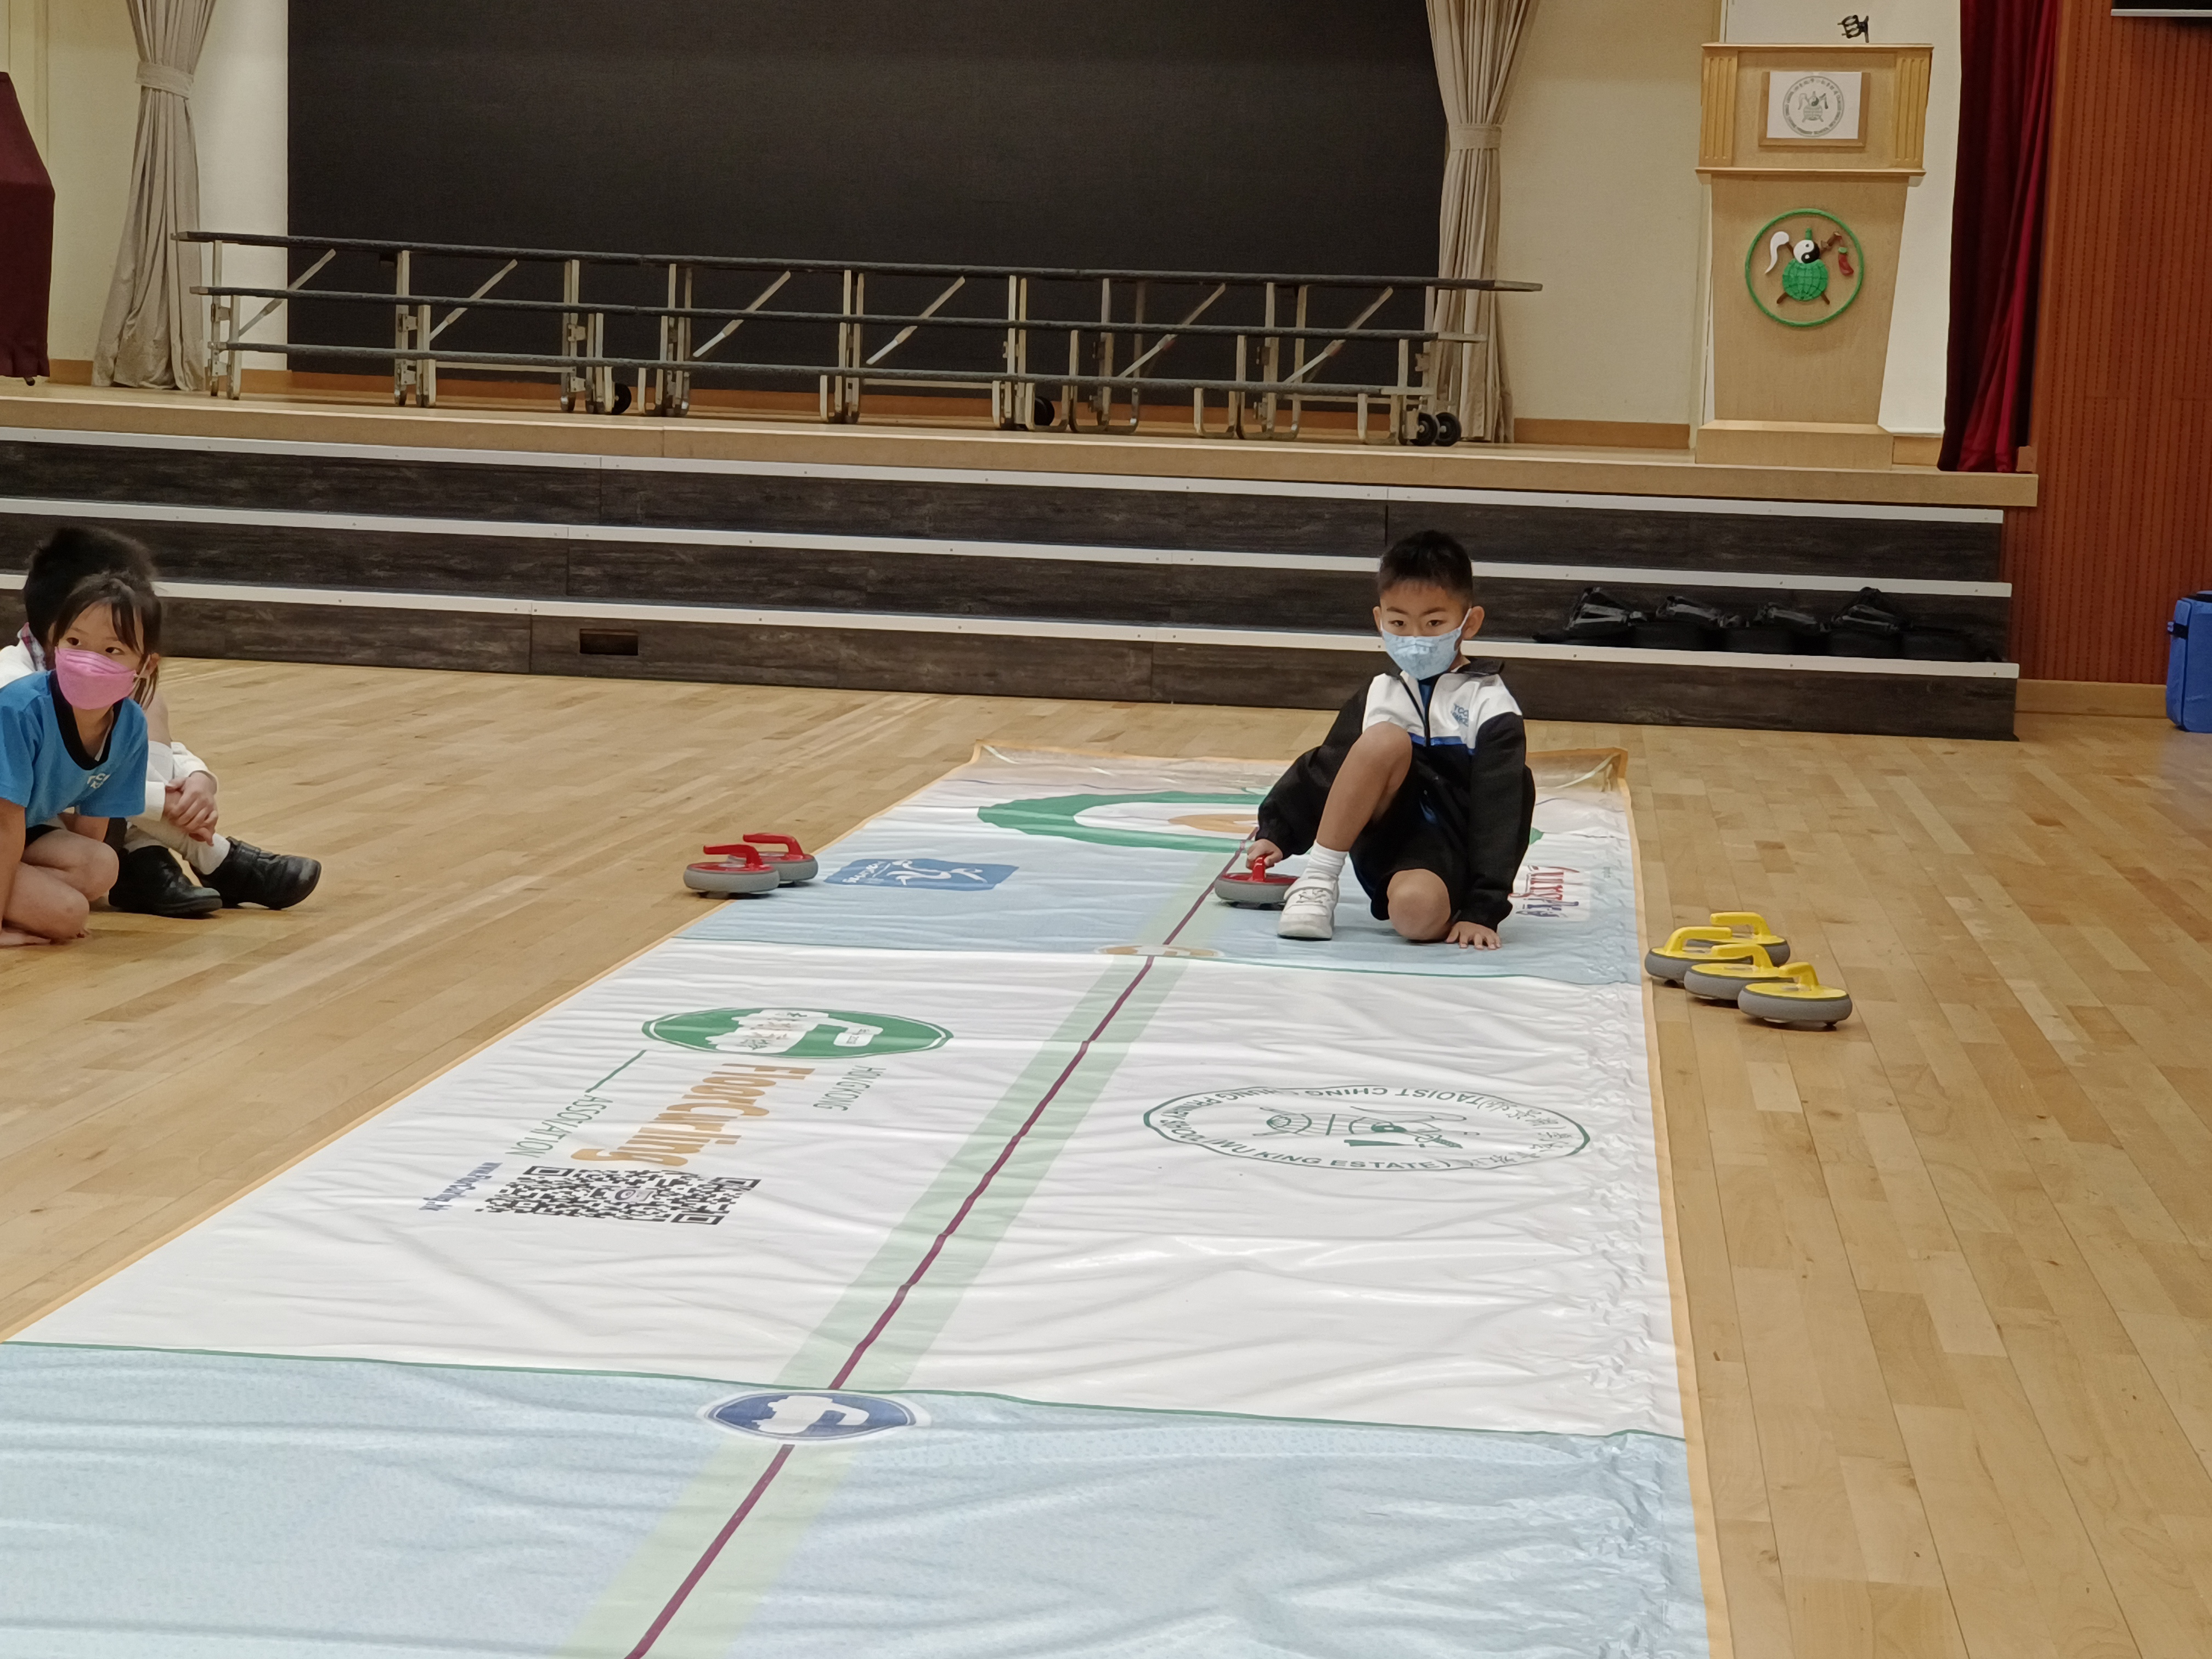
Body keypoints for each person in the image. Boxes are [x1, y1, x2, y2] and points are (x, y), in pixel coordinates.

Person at [0, 527, 320, 916]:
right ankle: (201, 858)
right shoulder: (12, 686)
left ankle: (146, 856)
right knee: (66, 902)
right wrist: (164, 802)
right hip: (20, 821)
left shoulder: (103, 676)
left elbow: (122, 744)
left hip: (53, 820)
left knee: (148, 705)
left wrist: (198, 778)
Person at [1250, 529, 1534, 947]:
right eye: (1399, 623)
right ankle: (1317, 882)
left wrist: (1482, 909)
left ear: (1469, 623)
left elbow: (1502, 814)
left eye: (1434, 623)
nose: (1415, 638)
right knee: (1383, 739)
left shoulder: (1491, 706)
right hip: (1388, 843)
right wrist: (1278, 831)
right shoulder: (1379, 695)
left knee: (1415, 917)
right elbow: (1328, 767)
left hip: (1452, 852)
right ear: (1379, 620)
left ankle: (1443, 903)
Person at [0, 572, 157, 945]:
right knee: (66, 914)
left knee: (101, 865)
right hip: (4, 827)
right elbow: (5, 824)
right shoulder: (20, 709)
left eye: (112, 650)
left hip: (21, 832)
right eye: (75, 642)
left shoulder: (131, 725)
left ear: (145, 666)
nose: (89, 661)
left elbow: (93, 826)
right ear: (55, 643)